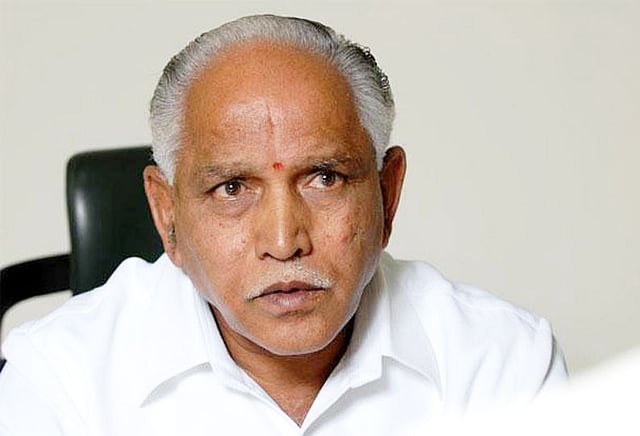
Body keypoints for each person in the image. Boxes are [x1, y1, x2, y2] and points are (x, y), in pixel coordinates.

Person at [0, 14, 566, 435]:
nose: (283, 242)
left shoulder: (501, 361)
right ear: (167, 215)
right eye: (232, 188)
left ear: (387, 194)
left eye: (325, 178)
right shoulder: (60, 380)